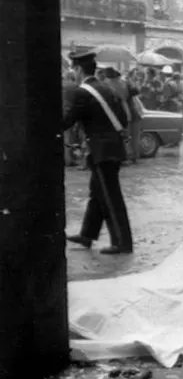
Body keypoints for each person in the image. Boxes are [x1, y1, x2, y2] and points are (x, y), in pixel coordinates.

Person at [63, 50, 134, 255]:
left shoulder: (82, 92)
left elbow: (68, 121)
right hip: (109, 148)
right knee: (98, 192)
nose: (73, 73)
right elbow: (122, 119)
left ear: (78, 69)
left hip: (102, 150)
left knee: (110, 197)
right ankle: (87, 235)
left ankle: (122, 243)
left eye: (73, 69)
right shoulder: (106, 88)